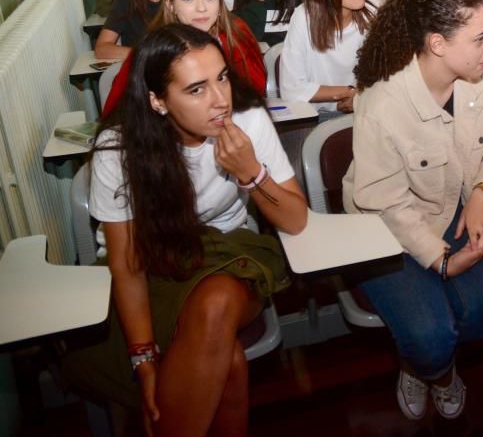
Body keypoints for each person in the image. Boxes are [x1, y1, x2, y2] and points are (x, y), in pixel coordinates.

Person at [64, 24, 306, 436]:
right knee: (226, 360)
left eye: (222, 78)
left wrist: (251, 173)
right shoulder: (118, 150)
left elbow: (296, 220)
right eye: (196, 90)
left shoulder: (248, 121)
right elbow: (127, 264)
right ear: (158, 101)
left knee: (214, 301)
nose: (219, 101)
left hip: (230, 255)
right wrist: (144, 359)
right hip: (153, 263)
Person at [343, 0, 483, 420]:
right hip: (384, 229)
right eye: (480, 38)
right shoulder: (382, 104)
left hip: (448, 210)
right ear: (438, 43)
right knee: (428, 335)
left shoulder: (477, 82)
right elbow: (386, 204)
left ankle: (432, 363)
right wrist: (441, 260)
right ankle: (429, 368)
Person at [103, 0, 266, 116]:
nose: (201, 8)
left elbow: (257, 91)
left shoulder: (235, 34)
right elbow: (118, 110)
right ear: (170, 5)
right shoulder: (151, 49)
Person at [279, 0, 371, 120]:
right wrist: (350, 93)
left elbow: (391, 76)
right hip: (317, 115)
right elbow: (291, 88)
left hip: (367, 110)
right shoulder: (303, 18)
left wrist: (363, 97)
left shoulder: (372, 14)